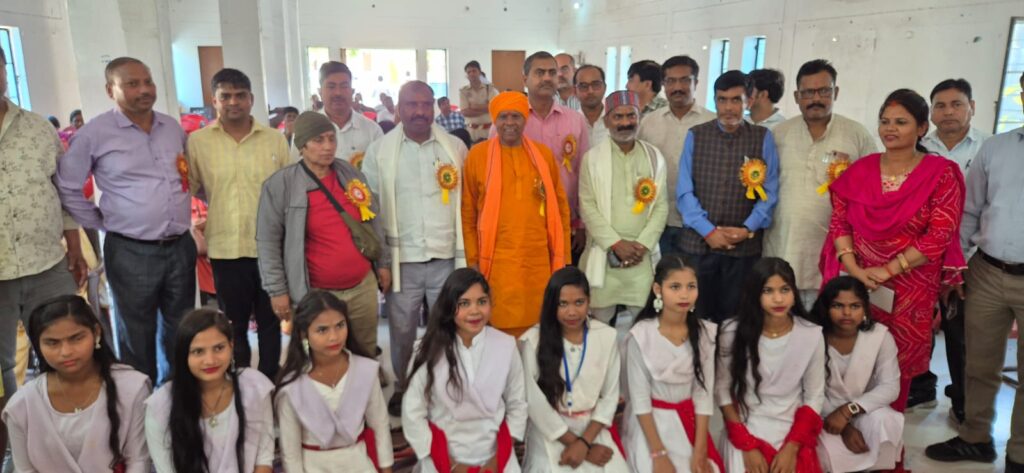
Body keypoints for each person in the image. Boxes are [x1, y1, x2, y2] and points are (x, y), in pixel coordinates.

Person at [820, 89, 966, 420]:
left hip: (911, 288)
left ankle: (885, 439)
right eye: (885, 121)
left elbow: (939, 235)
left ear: (922, 128)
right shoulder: (860, 170)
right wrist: (854, 269)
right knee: (851, 355)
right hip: (859, 283)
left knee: (895, 366)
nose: (890, 128)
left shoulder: (941, 174)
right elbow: (840, 222)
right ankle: (845, 430)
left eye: (901, 122)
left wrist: (889, 269)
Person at [56, 56, 195, 383]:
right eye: (132, 84)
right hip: (132, 251)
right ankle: (139, 400)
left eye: (148, 82)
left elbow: (185, 175)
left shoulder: (171, 127)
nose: (144, 90)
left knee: (181, 329)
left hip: (179, 245)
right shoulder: (95, 134)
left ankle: (175, 396)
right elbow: (68, 186)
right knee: (135, 334)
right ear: (111, 90)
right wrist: (100, 221)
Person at [925, 72, 1024, 473]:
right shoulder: (997, 148)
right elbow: (970, 211)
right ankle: (975, 437)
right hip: (987, 270)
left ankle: (1019, 454)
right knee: (979, 365)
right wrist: (956, 267)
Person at [362, 81, 468, 415]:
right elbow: (370, 209)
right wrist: (381, 260)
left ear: (434, 106)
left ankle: (441, 384)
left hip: (445, 254)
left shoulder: (454, 147)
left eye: (425, 104)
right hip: (402, 259)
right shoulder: (379, 151)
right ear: (399, 108)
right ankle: (404, 385)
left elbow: (468, 201)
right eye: (411, 104)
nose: (420, 111)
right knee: (402, 329)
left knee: (445, 327)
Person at [0, 44, 86, 456]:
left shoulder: (38, 128)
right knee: (1, 371)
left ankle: (73, 442)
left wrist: (75, 248)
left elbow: (64, 192)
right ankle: (12, 452)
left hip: (47, 263)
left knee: (70, 350)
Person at [257, 111, 391, 358]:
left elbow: (372, 218)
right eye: (318, 140)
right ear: (302, 145)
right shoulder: (280, 185)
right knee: (322, 356)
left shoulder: (348, 173)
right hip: (317, 293)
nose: (328, 147)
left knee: (365, 352)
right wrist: (277, 291)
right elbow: (268, 243)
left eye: (331, 138)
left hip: (362, 285)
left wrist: (383, 263)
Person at [187, 68, 289, 379]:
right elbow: (191, 188)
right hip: (225, 248)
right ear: (214, 101)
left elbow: (288, 193)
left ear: (251, 99)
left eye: (240, 95)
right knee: (234, 323)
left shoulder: (274, 140)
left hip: (269, 248)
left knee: (271, 321)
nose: (233, 102)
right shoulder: (198, 142)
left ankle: (269, 379)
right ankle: (242, 380)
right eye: (226, 96)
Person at [762, 59, 877, 310]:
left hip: (834, 256)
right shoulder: (778, 134)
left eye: (824, 91)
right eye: (808, 92)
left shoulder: (856, 135)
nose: (816, 98)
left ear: (836, 92)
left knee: (824, 327)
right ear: (796, 97)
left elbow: (873, 193)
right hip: (782, 249)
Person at [913, 78, 991, 418]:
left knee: (961, 333)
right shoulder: (918, 147)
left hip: (970, 257)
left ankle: (963, 401)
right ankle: (920, 386)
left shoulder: (988, 148)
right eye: (940, 106)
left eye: (956, 104)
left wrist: (967, 258)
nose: (948, 112)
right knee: (917, 324)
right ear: (931, 112)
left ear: (971, 107)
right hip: (920, 256)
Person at [463, 91, 570, 336]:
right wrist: (472, 260)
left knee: (538, 330)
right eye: (503, 117)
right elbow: (468, 213)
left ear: (525, 119)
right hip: (496, 263)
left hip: (538, 261)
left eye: (516, 116)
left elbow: (560, 208)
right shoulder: (478, 156)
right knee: (498, 333)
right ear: (494, 120)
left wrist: (563, 256)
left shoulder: (543, 155)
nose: (509, 123)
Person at [2, 295, 150, 472]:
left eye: (76, 338)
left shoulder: (132, 387)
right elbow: (25, 470)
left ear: (96, 333)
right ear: (38, 345)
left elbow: (139, 460)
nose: (66, 352)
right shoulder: (21, 406)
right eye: (52, 343)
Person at [676, 70, 780, 323]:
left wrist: (747, 228)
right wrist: (708, 231)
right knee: (695, 318)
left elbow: (769, 192)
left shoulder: (762, 137)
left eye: (736, 100)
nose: (729, 108)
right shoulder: (696, 135)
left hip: (743, 249)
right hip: (698, 247)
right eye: (722, 100)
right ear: (715, 101)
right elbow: (684, 191)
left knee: (736, 320)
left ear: (749, 101)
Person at [401, 268, 528, 472]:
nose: (475, 311)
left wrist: (496, 460)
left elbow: (518, 405)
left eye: (482, 301)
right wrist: (452, 464)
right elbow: (413, 412)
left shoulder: (505, 346)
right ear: (449, 306)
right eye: (464, 303)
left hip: (496, 456)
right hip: (442, 456)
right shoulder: (427, 349)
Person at [716, 257, 826, 473]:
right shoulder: (731, 332)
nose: (778, 299)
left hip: (793, 428)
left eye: (785, 289)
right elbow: (722, 391)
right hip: (746, 425)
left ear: (794, 293)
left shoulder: (811, 334)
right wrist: (746, 444)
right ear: (754, 294)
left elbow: (814, 396)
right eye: (768, 291)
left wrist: (792, 446)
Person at [518, 267, 628, 472]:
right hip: (550, 431)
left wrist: (585, 443)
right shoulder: (533, 340)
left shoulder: (606, 336)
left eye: (579, 302)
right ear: (551, 304)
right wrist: (576, 444)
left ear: (589, 301)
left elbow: (610, 396)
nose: (572, 312)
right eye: (563, 304)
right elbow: (534, 401)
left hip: (592, 429)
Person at [621, 256, 723, 473]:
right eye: (675, 287)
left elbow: (703, 394)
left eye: (691, 286)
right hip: (650, 428)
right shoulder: (641, 336)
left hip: (689, 423)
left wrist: (700, 448)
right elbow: (640, 399)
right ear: (658, 289)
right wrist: (658, 454)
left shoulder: (706, 334)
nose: (684, 295)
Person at [274, 290, 394, 472]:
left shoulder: (365, 370)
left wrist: (386, 469)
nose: (334, 337)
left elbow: (380, 425)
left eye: (340, 325)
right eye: (322, 330)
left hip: (358, 462)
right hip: (313, 466)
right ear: (303, 334)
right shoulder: (292, 386)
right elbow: (290, 451)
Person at [144, 309, 275, 473]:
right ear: (184, 355)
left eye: (219, 348)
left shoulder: (254, 387)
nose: (210, 360)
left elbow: (264, 458)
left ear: (231, 346)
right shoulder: (161, 407)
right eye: (198, 351)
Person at [578, 91, 667, 325]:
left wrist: (642, 245)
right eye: (618, 116)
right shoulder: (591, 159)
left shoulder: (654, 157)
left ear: (639, 118)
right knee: (599, 325)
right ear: (607, 121)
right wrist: (615, 244)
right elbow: (587, 207)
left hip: (641, 258)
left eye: (631, 115)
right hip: (604, 254)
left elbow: (661, 206)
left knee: (643, 324)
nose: (625, 122)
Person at [501, 51, 591, 264]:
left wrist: (581, 223)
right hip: (520, 223)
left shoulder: (575, 120)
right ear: (525, 79)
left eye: (552, 72)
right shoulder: (507, 121)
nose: (548, 78)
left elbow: (584, 175)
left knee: (561, 280)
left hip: (565, 222)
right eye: (540, 73)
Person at [812, 276, 903, 472]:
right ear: (826, 308)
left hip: (862, 409)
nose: (847, 313)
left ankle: (877, 469)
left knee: (888, 421)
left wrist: (848, 411)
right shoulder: (813, 336)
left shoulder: (879, 336)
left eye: (855, 306)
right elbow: (807, 391)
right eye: (838, 305)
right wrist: (843, 425)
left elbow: (890, 386)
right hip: (822, 413)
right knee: (822, 452)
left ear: (865, 309)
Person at [637, 55, 716, 258]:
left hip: (700, 223)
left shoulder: (712, 122)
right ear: (663, 84)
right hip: (657, 221)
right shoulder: (648, 123)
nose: (677, 87)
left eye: (685, 80)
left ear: (696, 83)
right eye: (671, 81)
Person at [292, 62, 383, 168]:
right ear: (320, 92)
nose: (338, 93)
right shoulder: (305, 130)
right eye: (331, 87)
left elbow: (381, 170)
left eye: (344, 86)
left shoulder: (372, 131)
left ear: (352, 91)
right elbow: (295, 171)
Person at [460, 60, 499, 142]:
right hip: (472, 131)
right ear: (467, 75)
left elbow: (494, 106)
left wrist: (474, 107)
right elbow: (465, 112)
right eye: (469, 72)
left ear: (479, 72)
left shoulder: (489, 88)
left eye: (474, 71)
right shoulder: (463, 91)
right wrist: (486, 109)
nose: (471, 74)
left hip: (489, 130)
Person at [575, 65, 609, 146]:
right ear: (575, 91)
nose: (590, 91)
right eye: (583, 86)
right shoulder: (570, 122)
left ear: (605, 88)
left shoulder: (616, 121)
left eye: (596, 85)